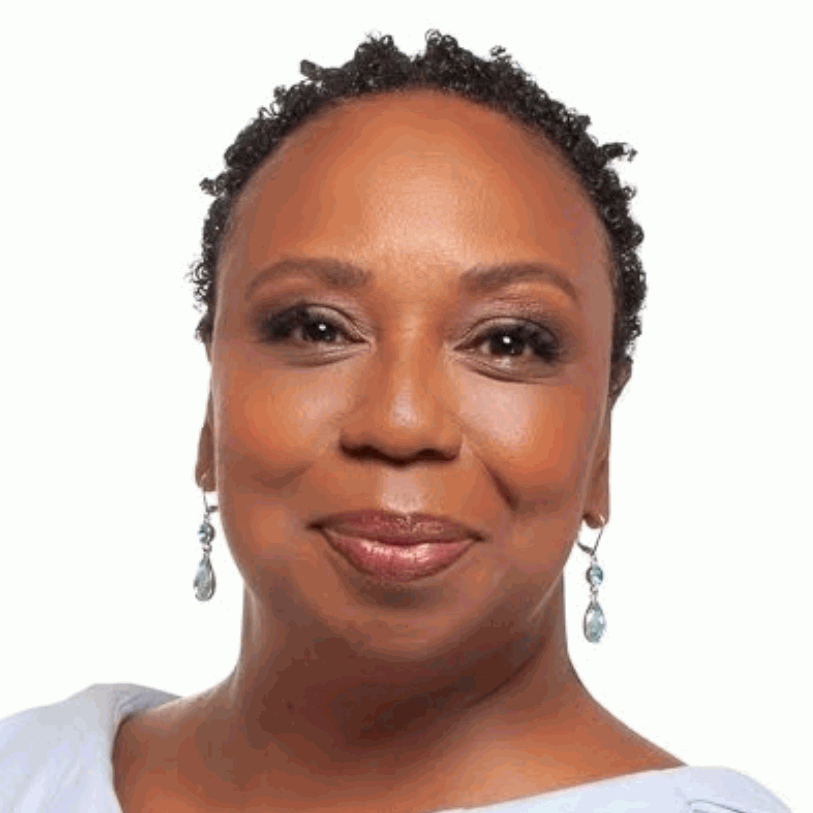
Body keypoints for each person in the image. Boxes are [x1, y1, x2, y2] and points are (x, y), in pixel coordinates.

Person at [0, 31, 792, 813]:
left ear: (600, 448)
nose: (402, 422)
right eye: (316, 328)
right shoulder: (24, 772)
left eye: (507, 342)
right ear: (212, 409)